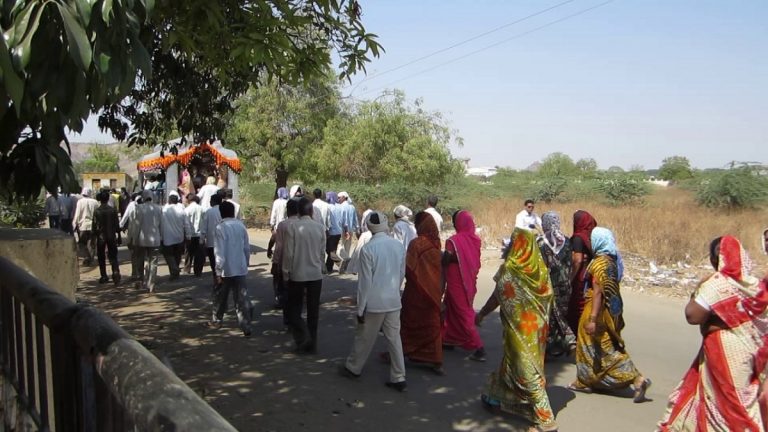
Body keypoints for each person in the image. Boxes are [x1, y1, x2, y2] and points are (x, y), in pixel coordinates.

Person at [658, 236, 768, 431]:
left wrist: (699, 292)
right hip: (750, 355)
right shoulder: (756, 286)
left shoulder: (718, 282)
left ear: (714, 259)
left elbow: (693, 315)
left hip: (724, 356)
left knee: (731, 406)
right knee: (743, 400)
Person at [475, 228, 557, 432]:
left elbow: (497, 296)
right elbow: (549, 298)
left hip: (519, 330)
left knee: (527, 370)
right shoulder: (541, 272)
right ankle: (494, 397)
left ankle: (546, 420)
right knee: (513, 363)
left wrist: (482, 313)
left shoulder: (509, 270)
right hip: (537, 330)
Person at [568, 227, 651, 402]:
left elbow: (598, 292)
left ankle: (634, 378)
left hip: (595, 309)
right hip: (608, 311)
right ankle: (590, 379)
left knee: (595, 345)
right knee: (603, 344)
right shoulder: (611, 261)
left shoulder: (598, 264)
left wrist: (592, 319)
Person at [340, 211, 408, 392]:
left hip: (374, 303)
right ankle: (399, 376)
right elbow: (401, 273)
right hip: (393, 300)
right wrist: (394, 290)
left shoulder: (368, 249)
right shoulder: (398, 246)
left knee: (364, 337)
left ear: (369, 226)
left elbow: (365, 283)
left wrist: (360, 309)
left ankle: (353, 368)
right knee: (394, 339)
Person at [400, 212, 444, 375]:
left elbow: (409, 268)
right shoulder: (436, 243)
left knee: (408, 323)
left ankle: (403, 352)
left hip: (415, 292)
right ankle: (436, 360)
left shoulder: (416, 244)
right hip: (433, 292)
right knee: (432, 325)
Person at [283, 197, 326, 354]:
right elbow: (322, 252)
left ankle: (303, 337)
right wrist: (321, 267)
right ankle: (312, 344)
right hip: (315, 274)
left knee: (293, 310)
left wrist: (286, 273)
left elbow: (288, 254)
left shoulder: (293, 227)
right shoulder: (320, 228)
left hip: (298, 274)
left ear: (298, 211)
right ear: (312, 211)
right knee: (313, 311)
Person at [442, 210, 486, 361]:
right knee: (451, 308)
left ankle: (479, 347)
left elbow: (446, 259)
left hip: (456, 281)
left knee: (463, 312)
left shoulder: (453, 241)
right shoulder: (475, 240)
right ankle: (449, 338)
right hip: (469, 280)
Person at [206, 201, 253, 337]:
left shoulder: (220, 228)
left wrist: (218, 271)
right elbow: (246, 248)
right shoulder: (241, 226)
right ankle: (246, 326)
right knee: (241, 299)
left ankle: (217, 320)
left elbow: (219, 252)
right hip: (240, 268)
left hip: (226, 270)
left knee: (220, 297)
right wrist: (246, 263)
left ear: (221, 213)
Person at [537, 211, 576, 357]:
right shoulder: (567, 241)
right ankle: (557, 346)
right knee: (560, 314)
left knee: (549, 317)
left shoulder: (540, 242)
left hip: (547, 286)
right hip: (565, 285)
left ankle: (560, 344)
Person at [568, 210, 597, 334]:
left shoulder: (578, 238)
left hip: (580, 275)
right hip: (591, 273)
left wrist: (570, 278)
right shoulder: (592, 236)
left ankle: (577, 332)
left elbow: (578, 260)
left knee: (576, 303)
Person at [271, 199, 299, 320]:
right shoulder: (301, 224)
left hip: (283, 263)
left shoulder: (282, 225)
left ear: (288, 210)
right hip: (298, 263)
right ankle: (295, 317)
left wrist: (275, 262)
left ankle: (285, 313)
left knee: (283, 287)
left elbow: (279, 246)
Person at [133, 191, 163, 292]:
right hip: (155, 240)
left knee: (142, 260)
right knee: (153, 262)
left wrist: (135, 238)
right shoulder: (159, 208)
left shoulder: (140, 208)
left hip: (143, 239)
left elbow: (137, 225)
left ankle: (143, 281)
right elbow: (161, 225)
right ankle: (151, 284)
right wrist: (162, 237)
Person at [92, 191, 121, 285]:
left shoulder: (97, 211)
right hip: (111, 236)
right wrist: (119, 236)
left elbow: (94, 226)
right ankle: (115, 271)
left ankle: (104, 275)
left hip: (101, 237)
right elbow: (117, 225)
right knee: (113, 255)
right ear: (108, 199)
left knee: (101, 256)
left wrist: (93, 238)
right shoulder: (113, 210)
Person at [161, 193, 191, 280]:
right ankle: (174, 272)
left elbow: (160, 224)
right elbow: (187, 225)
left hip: (167, 237)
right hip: (179, 237)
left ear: (169, 201)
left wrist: (160, 236)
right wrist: (188, 236)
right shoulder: (182, 210)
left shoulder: (164, 210)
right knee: (177, 256)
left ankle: (174, 270)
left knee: (168, 255)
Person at [73, 188, 99, 266]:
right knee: (91, 243)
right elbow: (97, 214)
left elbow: (77, 214)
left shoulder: (80, 202)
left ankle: (86, 257)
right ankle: (90, 259)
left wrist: (74, 224)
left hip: (82, 226)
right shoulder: (95, 202)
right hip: (92, 226)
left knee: (82, 243)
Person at [200, 194, 223, 281]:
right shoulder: (224, 210)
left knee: (213, 263)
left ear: (213, 201)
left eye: (210, 200)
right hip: (223, 242)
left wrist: (201, 240)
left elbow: (204, 228)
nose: (209, 202)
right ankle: (222, 280)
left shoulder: (209, 212)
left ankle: (216, 279)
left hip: (211, 242)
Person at [337, 191, 358, 273]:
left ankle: (345, 259)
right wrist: (356, 229)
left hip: (343, 230)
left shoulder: (341, 207)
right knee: (348, 248)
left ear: (344, 197)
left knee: (339, 247)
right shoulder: (352, 207)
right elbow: (355, 219)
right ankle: (348, 268)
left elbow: (343, 220)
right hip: (351, 230)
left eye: (339, 197)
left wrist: (345, 231)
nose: (338, 199)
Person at [184, 193, 204, 277]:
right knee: (199, 254)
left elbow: (186, 224)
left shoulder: (187, 210)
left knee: (188, 253)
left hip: (190, 235)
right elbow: (204, 223)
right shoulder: (202, 209)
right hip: (199, 234)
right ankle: (198, 271)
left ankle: (187, 269)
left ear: (189, 200)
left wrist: (187, 235)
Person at [325, 191, 343, 273]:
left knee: (329, 250)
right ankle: (329, 267)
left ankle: (340, 263)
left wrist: (327, 229)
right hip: (338, 232)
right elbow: (343, 220)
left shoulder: (328, 207)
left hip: (331, 232)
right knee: (333, 250)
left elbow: (328, 220)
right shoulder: (340, 206)